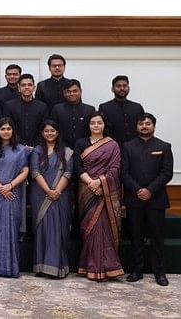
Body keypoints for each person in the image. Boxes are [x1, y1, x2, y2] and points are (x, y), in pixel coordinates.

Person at [121, 113, 173, 286]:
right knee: (136, 237)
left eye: (148, 123)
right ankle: (137, 271)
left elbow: (167, 173)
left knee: (157, 238)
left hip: (156, 200)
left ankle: (159, 273)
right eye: (141, 123)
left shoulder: (164, 146)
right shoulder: (127, 147)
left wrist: (150, 190)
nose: (144, 126)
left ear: (154, 126)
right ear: (136, 127)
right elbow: (124, 173)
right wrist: (138, 190)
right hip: (134, 199)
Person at [74, 112, 124, 281]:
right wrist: (91, 182)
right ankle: (89, 265)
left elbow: (115, 168)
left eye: (99, 123)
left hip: (106, 191)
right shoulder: (81, 143)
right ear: (88, 126)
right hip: (86, 190)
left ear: (104, 125)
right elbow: (77, 166)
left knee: (103, 228)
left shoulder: (113, 145)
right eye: (93, 123)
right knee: (89, 228)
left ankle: (108, 266)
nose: (96, 126)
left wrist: (101, 183)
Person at [0, 117, 30, 278]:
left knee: (10, 228)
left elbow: (25, 171)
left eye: (8, 129)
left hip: (12, 192)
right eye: (2, 129)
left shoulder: (21, 149)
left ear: (13, 131)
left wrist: (9, 186)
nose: (6, 132)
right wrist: (0, 187)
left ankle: (10, 267)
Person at [29, 120, 74, 278]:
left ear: (58, 133)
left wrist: (56, 191)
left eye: (52, 131)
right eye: (46, 131)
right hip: (40, 194)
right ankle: (41, 267)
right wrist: (49, 191)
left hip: (60, 195)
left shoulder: (67, 152)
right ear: (42, 133)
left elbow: (68, 173)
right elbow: (34, 172)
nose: (49, 133)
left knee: (57, 229)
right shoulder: (36, 151)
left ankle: (55, 268)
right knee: (42, 229)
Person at [98, 75, 145, 145]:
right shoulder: (104, 107)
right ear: (112, 89)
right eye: (118, 86)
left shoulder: (137, 107)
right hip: (113, 148)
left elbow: (142, 128)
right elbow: (103, 130)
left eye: (124, 86)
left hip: (136, 148)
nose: (122, 88)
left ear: (128, 88)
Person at [4, 74, 48, 147]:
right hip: (15, 146)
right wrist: (23, 145)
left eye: (29, 85)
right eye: (23, 85)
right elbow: (9, 128)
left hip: (37, 147)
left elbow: (44, 128)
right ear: (19, 88)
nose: (26, 87)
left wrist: (34, 145)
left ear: (34, 88)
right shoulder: (9, 106)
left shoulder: (42, 106)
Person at [50, 79, 95, 149]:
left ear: (80, 91)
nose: (72, 94)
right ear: (64, 93)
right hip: (62, 149)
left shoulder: (89, 110)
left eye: (75, 91)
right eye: (68, 91)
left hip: (85, 149)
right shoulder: (57, 109)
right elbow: (53, 130)